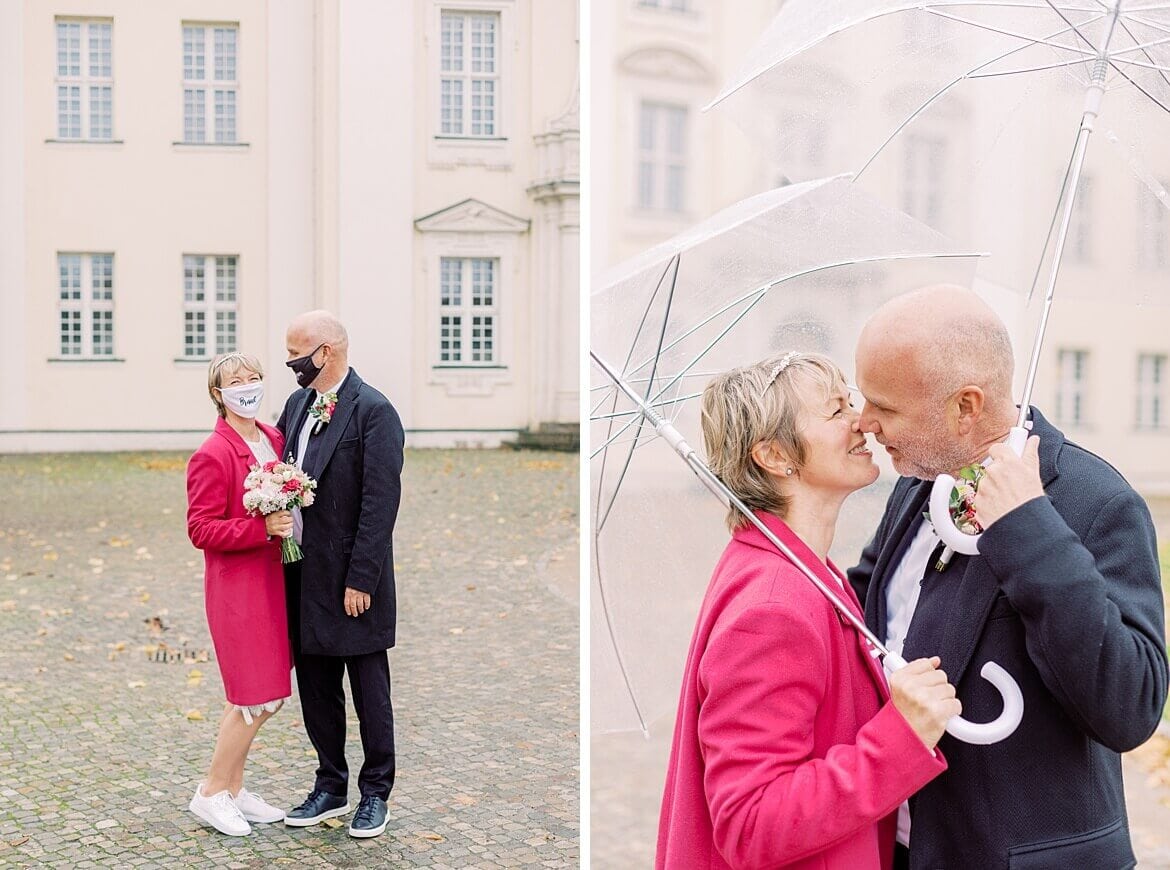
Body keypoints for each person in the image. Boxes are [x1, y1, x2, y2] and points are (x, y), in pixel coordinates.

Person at [849, 285, 1168, 869]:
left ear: (965, 407)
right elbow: (867, 611)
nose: (864, 422)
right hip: (905, 849)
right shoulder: (919, 480)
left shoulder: (1098, 501)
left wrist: (1030, 531)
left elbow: (1131, 706)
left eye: (885, 407)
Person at [657, 351, 960, 870]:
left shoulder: (800, 569)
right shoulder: (774, 607)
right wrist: (902, 735)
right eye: (835, 410)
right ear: (775, 455)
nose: (862, 421)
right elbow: (751, 825)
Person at [277, 310, 404, 839]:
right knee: (316, 686)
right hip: (302, 573)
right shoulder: (296, 405)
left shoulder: (374, 412)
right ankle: (330, 785)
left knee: (369, 690)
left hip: (352, 579)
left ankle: (376, 793)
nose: (291, 366)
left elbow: (381, 504)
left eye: (297, 356)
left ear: (326, 351)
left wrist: (362, 580)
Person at [185, 352, 294, 836]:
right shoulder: (211, 453)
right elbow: (200, 528)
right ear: (217, 394)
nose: (247, 386)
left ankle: (233, 788)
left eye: (253, 378)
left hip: (278, 582)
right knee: (253, 695)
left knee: (267, 696)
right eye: (236, 381)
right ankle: (210, 792)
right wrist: (261, 528)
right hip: (239, 590)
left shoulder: (272, 438)